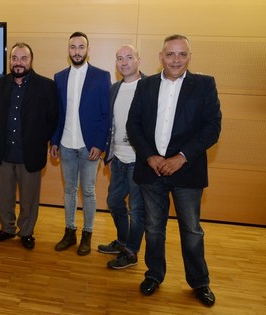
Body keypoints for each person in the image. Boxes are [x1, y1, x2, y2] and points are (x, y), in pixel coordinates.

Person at [126, 34, 221, 306]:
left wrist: (182, 157)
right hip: (151, 171)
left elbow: (212, 127)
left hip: (187, 172)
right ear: (161, 57)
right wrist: (149, 157)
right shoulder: (144, 86)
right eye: (170, 54)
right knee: (154, 228)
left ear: (189, 56)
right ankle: (154, 275)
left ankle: (199, 282)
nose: (176, 60)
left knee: (191, 230)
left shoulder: (204, 85)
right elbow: (133, 125)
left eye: (182, 54)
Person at [0, 42, 58, 249]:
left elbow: (53, 118)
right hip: (4, 150)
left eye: (23, 58)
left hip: (30, 152)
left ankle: (26, 232)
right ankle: (7, 228)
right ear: (10, 60)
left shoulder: (46, 86)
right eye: (14, 58)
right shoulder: (0, 83)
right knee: (5, 195)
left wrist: (39, 139)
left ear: (31, 60)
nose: (18, 63)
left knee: (29, 197)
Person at [49, 32, 111, 256]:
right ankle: (70, 232)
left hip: (89, 146)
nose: (77, 51)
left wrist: (100, 144)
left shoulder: (101, 76)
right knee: (68, 190)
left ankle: (88, 234)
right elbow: (58, 113)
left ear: (87, 50)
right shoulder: (59, 77)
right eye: (73, 47)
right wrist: (54, 140)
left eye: (81, 47)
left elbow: (106, 114)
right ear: (68, 50)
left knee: (88, 191)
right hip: (65, 144)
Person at [97, 45, 145, 269]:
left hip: (139, 161)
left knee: (136, 210)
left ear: (138, 60)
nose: (124, 62)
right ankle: (123, 241)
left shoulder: (149, 87)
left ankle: (131, 252)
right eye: (119, 58)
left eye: (129, 57)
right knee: (114, 202)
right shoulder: (114, 88)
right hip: (117, 159)